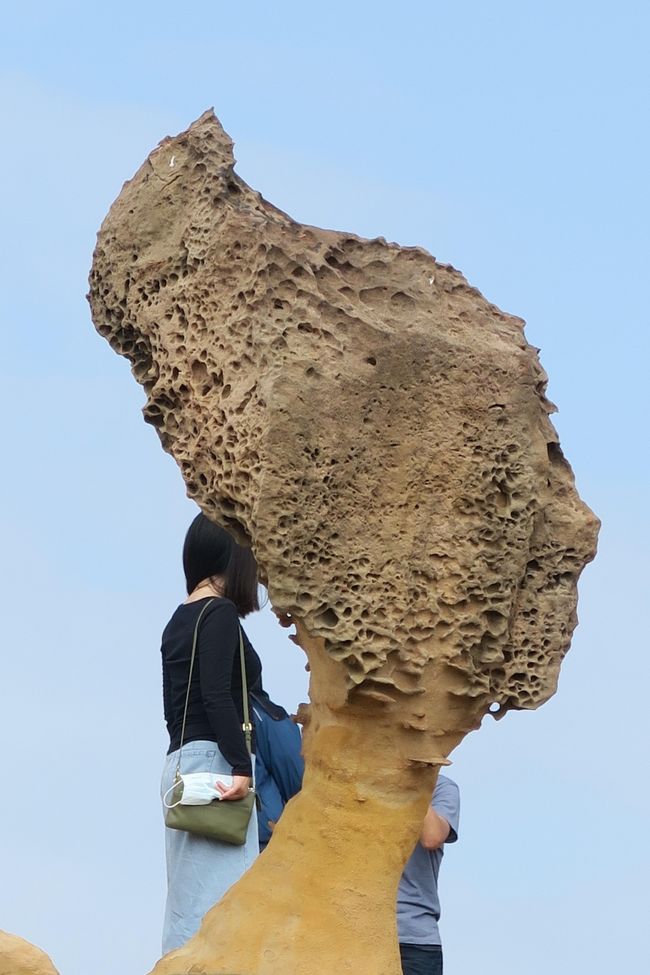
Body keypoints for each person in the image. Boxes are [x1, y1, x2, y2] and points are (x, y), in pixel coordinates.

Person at [159, 513, 261, 954]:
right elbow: (218, 696)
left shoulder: (177, 619)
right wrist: (240, 766)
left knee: (189, 902)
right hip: (217, 765)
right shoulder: (218, 613)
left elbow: (174, 710)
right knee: (224, 902)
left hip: (182, 765)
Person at [397, 774, 460, 975]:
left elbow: (432, 837)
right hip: (357, 932)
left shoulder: (441, 787)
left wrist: (414, 781)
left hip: (413, 939)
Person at [249, 680, 304, 849]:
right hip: (267, 837)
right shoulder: (265, 714)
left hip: (261, 837)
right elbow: (299, 785)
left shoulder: (264, 715)